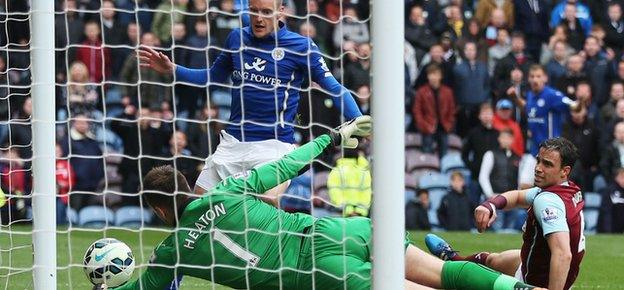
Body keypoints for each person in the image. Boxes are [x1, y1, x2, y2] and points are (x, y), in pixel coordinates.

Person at [96, 117, 543, 290]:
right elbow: (285, 165)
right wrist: (334, 136)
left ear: (157, 211)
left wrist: (102, 283)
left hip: (317, 271)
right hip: (338, 230)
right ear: (190, 183)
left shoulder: (172, 252)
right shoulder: (226, 191)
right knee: (441, 272)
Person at [138, 0, 362, 198]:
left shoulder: (301, 46)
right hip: (233, 143)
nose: (259, 18)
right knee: (197, 212)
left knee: (263, 209)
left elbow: (334, 88)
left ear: (280, 11)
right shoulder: (237, 38)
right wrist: (173, 69)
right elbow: (211, 77)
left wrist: (359, 120)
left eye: (266, 12)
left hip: (274, 147)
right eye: (254, 11)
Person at [426, 137, 586, 290]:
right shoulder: (569, 189)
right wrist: (490, 205)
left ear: (564, 171)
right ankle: (453, 258)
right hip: (553, 273)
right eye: (538, 160)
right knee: (494, 260)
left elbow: (563, 254)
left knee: (472, 280)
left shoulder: (547, 201)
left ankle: (449, 271)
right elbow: (517, 197)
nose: (538, 168)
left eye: (547, 164)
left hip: (532, 283)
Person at [478, 129, 523, 231]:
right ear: (499, 139)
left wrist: (518, 195)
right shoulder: (490, 154)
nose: (506, 140)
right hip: (495, 196)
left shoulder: (517, 157)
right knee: (497, 230)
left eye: (508, 138)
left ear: (512, 140)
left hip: (512, 199)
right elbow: (483, 176)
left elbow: (519, 178)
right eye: (503, 137)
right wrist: (490, 194)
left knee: (509, 231)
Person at [412, 64, 456, 157]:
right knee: (427, 155)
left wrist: (449, 124)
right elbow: (417, 111)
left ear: (440, 76)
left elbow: (452, 110)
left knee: (444, 155)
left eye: (436, 74)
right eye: (431, 74)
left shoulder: (447, 92)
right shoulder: (422, 92)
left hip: (443, 127)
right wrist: (423, 125)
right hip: (428, 127)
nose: (433, 77)